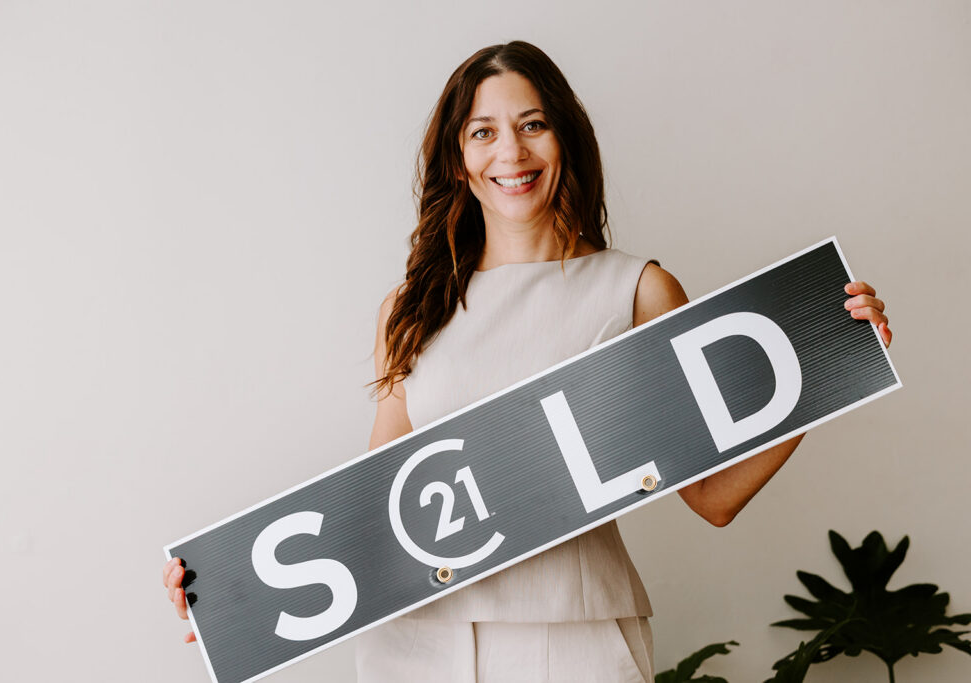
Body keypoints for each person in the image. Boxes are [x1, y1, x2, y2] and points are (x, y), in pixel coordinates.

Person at [162, 41, 892, 682]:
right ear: (459, 160)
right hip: (414, 643)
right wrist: (228, 596)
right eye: (483, 132)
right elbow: (377, 506)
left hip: (571, 639)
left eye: (532, 124)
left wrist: (828, 365)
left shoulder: (635, 290)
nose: (510, 152)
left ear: (564, 138)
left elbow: (714, 498)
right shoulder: (409, 310)